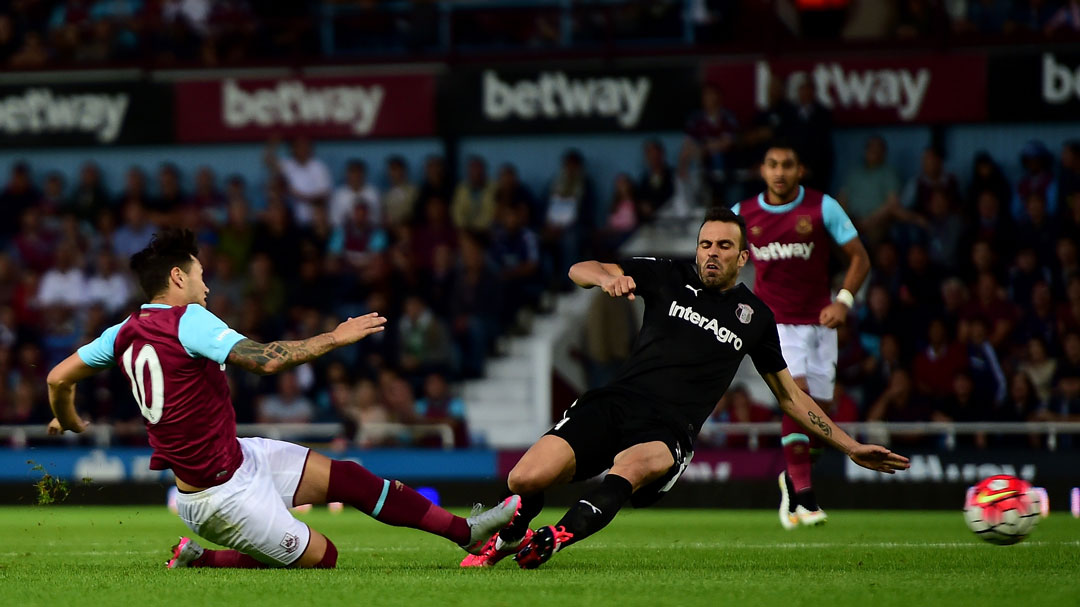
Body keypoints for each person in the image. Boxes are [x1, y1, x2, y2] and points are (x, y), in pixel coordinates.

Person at [460, 208, 908, 570]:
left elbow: (790, 397)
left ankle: (555, 537)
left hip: (670, 428)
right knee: (524, 477)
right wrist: (605, 278)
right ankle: (511, 534)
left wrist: (850, 446)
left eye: (724, 246)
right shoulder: (667, 275)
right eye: (705, 244)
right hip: (616, 402)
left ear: (743, 257)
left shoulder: (755, 318)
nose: (712, 253)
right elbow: (582, 267)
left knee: (632, 466)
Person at [44, 229, 519, 570]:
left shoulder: (121, 331)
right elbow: (267, 360)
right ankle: (205, 558)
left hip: (235, 458)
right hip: (219, 497)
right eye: (200, 276)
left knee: (349, 477)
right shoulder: (188, 318)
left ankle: (466, 532)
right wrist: (334, 337)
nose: (207, 287)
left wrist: (68, 419)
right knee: (324, 557)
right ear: (177, 277)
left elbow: (57, 379)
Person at [731, 142, 871, 529]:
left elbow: (860, 257)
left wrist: (843, 301)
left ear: (800, 170)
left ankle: (792, 479)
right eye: (772, 165)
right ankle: (806, 499)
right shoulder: (742, 214)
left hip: (821, 322)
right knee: (797, 395)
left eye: (787, 165)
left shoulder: (822, 207)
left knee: (820, 422)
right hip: (773, 323)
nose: (779, 172)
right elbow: (715, 254)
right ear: (762, 170)